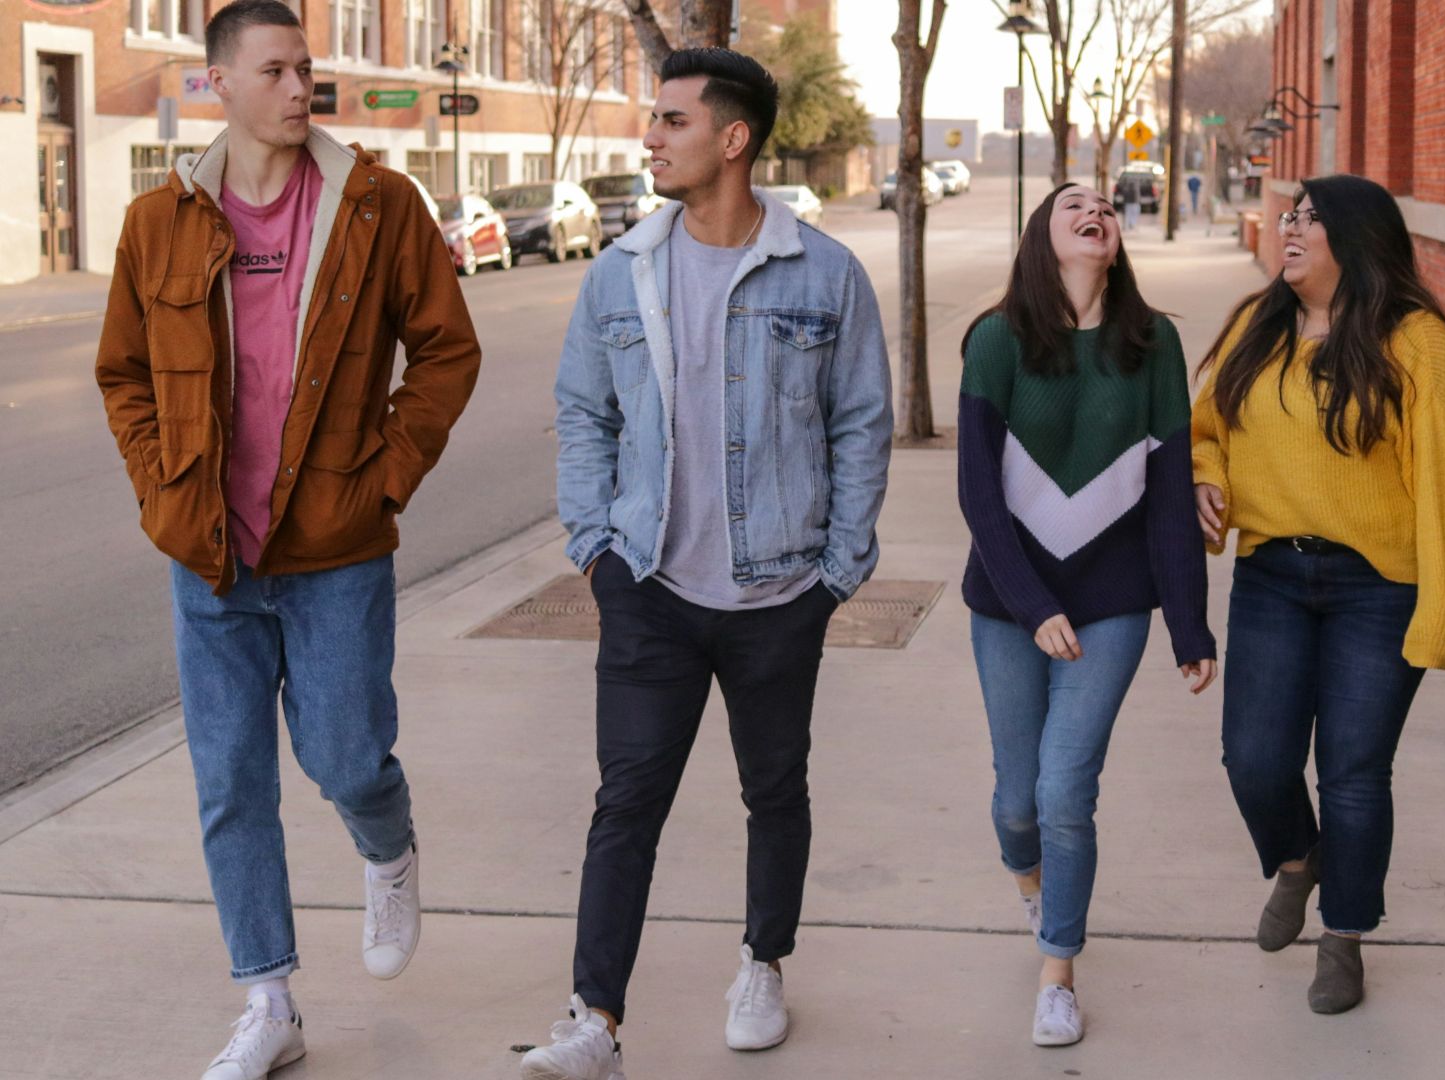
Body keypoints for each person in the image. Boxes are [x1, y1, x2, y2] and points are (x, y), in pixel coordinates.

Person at [92, 2, 482, 1076]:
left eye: (305, 68)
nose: (299, 86)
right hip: (210, 552)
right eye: (274, 70)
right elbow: (124, 371)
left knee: (347, 756)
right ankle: (269, 1001)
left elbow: (446, 352)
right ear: (217, 83)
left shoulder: (374, 205)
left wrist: (387, 477)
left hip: (337, 548)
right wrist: (160, 484)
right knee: (230, 782)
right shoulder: (159, 221)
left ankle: (387, 844)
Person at [524, 47, 892, 1080]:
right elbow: (583, 413)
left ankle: (762, 962)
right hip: (648, 586)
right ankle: (595, 1017)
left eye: (671, 121)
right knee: (626, 799)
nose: (651, 137)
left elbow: (860, 424)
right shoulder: (620, 269)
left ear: (731, 140)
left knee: (774, 788)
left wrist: (837, 572)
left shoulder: (825, 273)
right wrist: (595, 548)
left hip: (781, 591)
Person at [1192, 174, 1445, 1016]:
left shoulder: (1417, 341)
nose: (1289, 229)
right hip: (1272, 575)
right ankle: (1297, 861)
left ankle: (1345, 937)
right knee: (1253, 759)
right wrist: (1205, 480)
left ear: (1355, 240)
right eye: (1289, 215)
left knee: (1354, 773)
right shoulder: (1258, 326)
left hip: (1378, 587)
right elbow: (1206, 429)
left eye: (1310, 220)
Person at [960, 182, 1217, 1047]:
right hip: (1008, 603)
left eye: (1106, 203)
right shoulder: (996, 341)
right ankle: (1035, 886)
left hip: (1111, 604)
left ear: (1116, 238)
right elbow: (978, 498)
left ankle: (1058, 969)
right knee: (1015, 801)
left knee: (1066, 789)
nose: (1094, 208)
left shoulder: (1154, 344)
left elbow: (1173, 496)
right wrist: (1032, 607)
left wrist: (1189, 624)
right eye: (1072, 202)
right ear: (1044, 234)